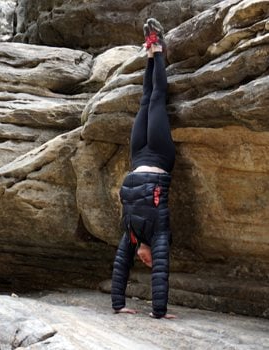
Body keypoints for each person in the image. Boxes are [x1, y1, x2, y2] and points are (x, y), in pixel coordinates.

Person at [111, 18, 176, 319]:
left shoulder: (132, 237)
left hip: (137, 159)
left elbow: (119, 266)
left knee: (144, 102)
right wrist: (159, 312)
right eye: (151, 262)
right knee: (157, 101)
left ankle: (150, 52)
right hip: (161, 158)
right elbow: (162, 272)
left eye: (146, 263)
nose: (151, 262)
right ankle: (159, 48)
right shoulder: (158, 235)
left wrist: (118, 305)